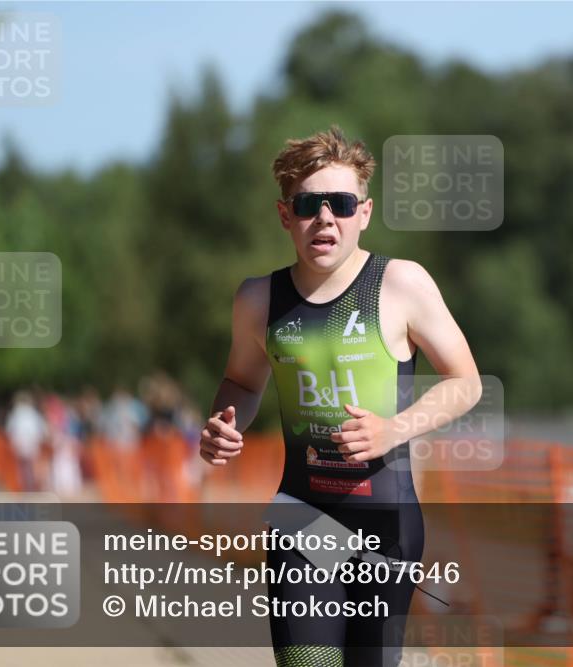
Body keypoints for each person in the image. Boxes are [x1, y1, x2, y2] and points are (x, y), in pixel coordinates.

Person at [199, 126, 481, 667]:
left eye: (342, 204)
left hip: (385, 523)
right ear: (286, 215)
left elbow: (466, 382)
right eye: (309, 204)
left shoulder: (401, 284)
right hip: (301, 517)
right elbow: (242, 383)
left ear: (364, 213)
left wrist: (393, 429)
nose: (325, 218)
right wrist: (224, 423)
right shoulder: (258, 298)